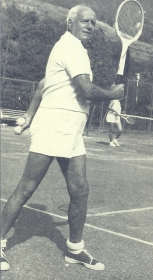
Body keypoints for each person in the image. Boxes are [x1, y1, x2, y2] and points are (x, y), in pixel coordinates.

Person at [0, 4, 124, 272]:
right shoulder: (69, 47)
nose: (90, 25)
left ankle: (74, 250)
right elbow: (86, 90)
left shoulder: (75, 49)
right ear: (70, 23)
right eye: (85, 21)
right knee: (27, 187)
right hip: (54, 125)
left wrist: (29, 114)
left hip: (72, 131)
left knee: (80, 190)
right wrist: (114, 94)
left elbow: (45, 84)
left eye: (93, 22)